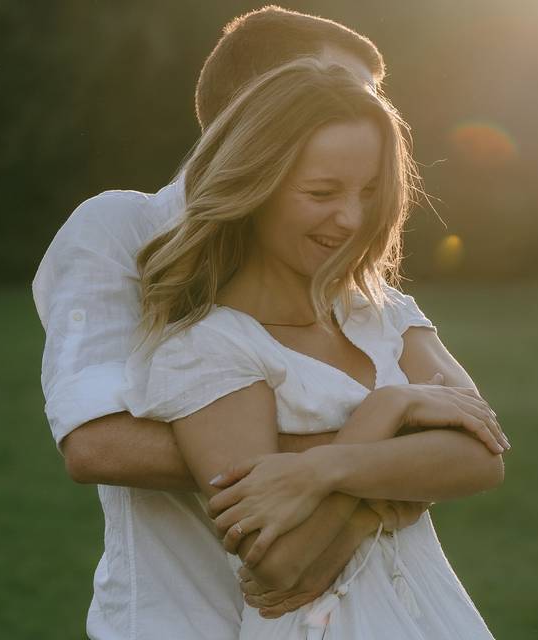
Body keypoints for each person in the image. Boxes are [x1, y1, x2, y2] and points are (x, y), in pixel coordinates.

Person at [33, 7, 441, 639]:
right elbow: (98, 443)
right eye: (342, 93)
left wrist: (356, 488)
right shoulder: (121, 229)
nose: (370, 122)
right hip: (186, 619)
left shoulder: (344, 263)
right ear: (259, 106)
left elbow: (474, 434)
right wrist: (375, 449)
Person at [122, 57, 506, 639]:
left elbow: (482, 456)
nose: (351, 218)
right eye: (322, 192)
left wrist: (322, 470)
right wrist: (391, 422)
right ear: (255, 184)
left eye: (370, 191)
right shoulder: (209, 347)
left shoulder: (382, 312)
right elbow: (282, 563)